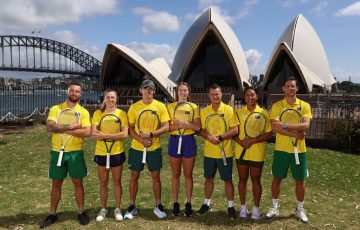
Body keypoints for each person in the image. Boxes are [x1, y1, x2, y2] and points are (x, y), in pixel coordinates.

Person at [40, 82, 91, 228]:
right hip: (58, 152)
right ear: (68, 92)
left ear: (80, 94)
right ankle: (52, 214)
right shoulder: (56, 108)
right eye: (72, 91)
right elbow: (50, 126)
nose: (74, 93)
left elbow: (87, 132)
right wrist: (73, 126)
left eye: (77, 91)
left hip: (76, 153)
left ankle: (81, 212)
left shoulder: (84, 112)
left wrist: (63, 129)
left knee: (78, 183)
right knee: (56, 183)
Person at [265, 77, 312, 223]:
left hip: (300, 150)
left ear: (297, 88)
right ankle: (274, 207)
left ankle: (299, 209)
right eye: (287, 86)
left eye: (293, 86)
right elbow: (275, 127)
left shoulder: (304, 105)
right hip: (281, 150)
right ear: (283, 89)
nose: (290, 88)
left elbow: (305, 126)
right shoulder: (277, 106)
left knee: (300, 180)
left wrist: (284, 125)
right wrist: (295, 133)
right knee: (277, 179)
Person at [124, 78, 170, 220]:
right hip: (137, 148)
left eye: (150, 89)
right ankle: (132, 206)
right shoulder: (134, 107)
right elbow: (130, 129)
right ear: (141, 90)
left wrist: (151, 135)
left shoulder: (160, 106)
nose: (148, 91)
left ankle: (158, 205)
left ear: (154, 91)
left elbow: (166, 126)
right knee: (134, 177)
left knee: (156, 177)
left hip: (154, 148)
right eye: (145, 88)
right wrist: (141, 139)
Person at [198, 84, 239, 219]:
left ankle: (231, 206)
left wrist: (220, 137)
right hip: (209, 153)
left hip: (225, 153)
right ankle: (206, 203)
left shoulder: (229, 110)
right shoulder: (204, 111)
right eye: (212, 94)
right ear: (209, 96)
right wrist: (209, 137)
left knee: (227, 180)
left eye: (217, 94)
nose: (215, 96)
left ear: (221, 94)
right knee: (208, 179)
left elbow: (235, 130)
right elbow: (201, 130)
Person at [234, 87, 272, 219]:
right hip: (241, 152)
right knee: (242, 179)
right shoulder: (238, 112)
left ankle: (256, 208)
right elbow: (233, 132)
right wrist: (240, 142)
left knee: (256, 180)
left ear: (256, 96)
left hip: (257, 152)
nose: (250, 97)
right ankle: (243, 208)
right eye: (248, 95)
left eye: (253, 95)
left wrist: (254, 140)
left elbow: (268, 133)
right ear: (244, 97)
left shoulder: (263, 113)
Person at [91, 89, 129, 222]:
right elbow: (94, 133)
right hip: (101, 152)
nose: (110, 100)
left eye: (113, 97)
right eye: (108, 97)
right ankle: (103, 208)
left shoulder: (122, 114)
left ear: (116, 99)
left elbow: (124, 134)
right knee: (103, 182)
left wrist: (105, 136)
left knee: (117, 181)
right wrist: (110, 136)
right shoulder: (97, 113)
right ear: (104, 99)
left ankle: (118, 208)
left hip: (117, 152)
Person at [166, 82, 200, 217]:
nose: (183, 92)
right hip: (174, 141)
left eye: (185, 90)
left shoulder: (194, 107)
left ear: (188, 92)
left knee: (188, 174)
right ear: (177, 92)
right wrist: (178, 126)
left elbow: (197, 127)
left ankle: (188, 203)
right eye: (180, 90)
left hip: (188, 141)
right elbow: (168, 127)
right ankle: (175, 203)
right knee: (175, 174)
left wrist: (185, 124)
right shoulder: (170, 106)